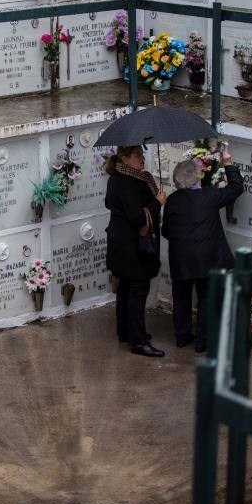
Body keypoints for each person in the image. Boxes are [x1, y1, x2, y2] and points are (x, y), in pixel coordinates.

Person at [161, 152, 243, 353]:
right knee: (206, 297)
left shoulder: (172, 200)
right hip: (207, 258)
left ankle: (182, 337)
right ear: (197, 177)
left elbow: (166, 231)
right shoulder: (209, 195)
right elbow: (236, 188)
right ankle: (202, 341)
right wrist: (227, 163)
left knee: (181, 297)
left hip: (181, 259)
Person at [105, 145, 166, 358]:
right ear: (124, 158)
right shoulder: (129, 182)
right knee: (138, 290)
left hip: (121, 246)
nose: (142, 158)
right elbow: (138, 217)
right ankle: (138, 341)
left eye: (142, 154)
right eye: (137, 155)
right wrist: (157, 202)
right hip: (133, 249)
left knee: (125, 287)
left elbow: (110, 204)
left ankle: (125, 332)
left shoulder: (117, 177)